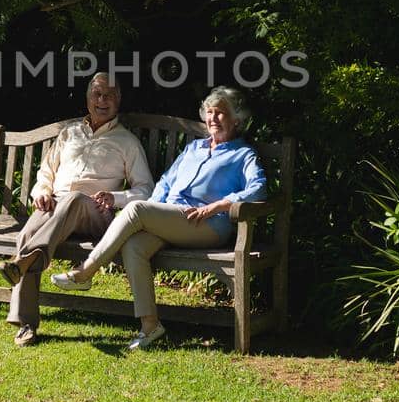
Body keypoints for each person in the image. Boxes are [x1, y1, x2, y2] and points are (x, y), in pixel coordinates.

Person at [52, 86, 265, 350]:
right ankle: (150, 326)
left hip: (207, 225)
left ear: (236, 120)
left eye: (220, 114)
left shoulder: (243, 154)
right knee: (134, 246)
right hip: (173, 219)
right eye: (209, 112)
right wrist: (153, 213)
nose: (213, 118)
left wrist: (218, 206)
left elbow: (259, 188)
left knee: (136, 209)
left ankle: (85, 272)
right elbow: (165, 183)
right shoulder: (195, 148)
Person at [0, 72, 154, 346]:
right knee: (26, 234)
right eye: (97, 94)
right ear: (87, 99)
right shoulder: (68, 134)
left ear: (118, 100)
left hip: (96, 214)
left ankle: (27, 261)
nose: (102, 100)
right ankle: (26, 324)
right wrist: (43, 193)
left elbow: (145, 190)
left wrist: (115, 198)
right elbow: (45, 173)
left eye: (109, 94)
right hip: (55, 208)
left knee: (72, 199)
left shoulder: (127, 142)